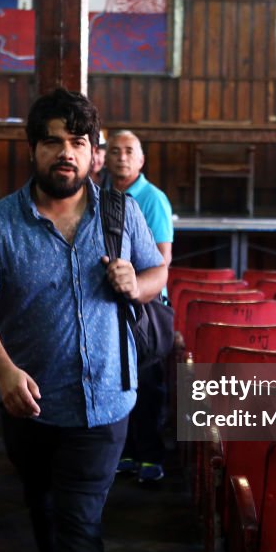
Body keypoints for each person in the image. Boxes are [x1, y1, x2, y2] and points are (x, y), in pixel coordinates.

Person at [0, 88, 167, 552]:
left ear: (93, 151)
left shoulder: (121, 212)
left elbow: (158, 275)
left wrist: (135, 283)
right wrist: (4, 372)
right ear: (33, 150)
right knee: (47, 514)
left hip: (104, 405)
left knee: (78, 521)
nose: (65, 153)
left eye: (77, 142)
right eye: (52, 142)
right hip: (29, 406)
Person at [103, 130, 174, 483]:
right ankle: (126, 453)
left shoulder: (151, 199)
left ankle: (150, 456)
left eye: (129, 151)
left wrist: (132, 280)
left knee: (147, 384)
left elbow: (162, 259)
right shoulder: (101, 197)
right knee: (119, 382)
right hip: (112, 302)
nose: (121, 157)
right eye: (114, 151)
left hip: (144, 306)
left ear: (141, 159)